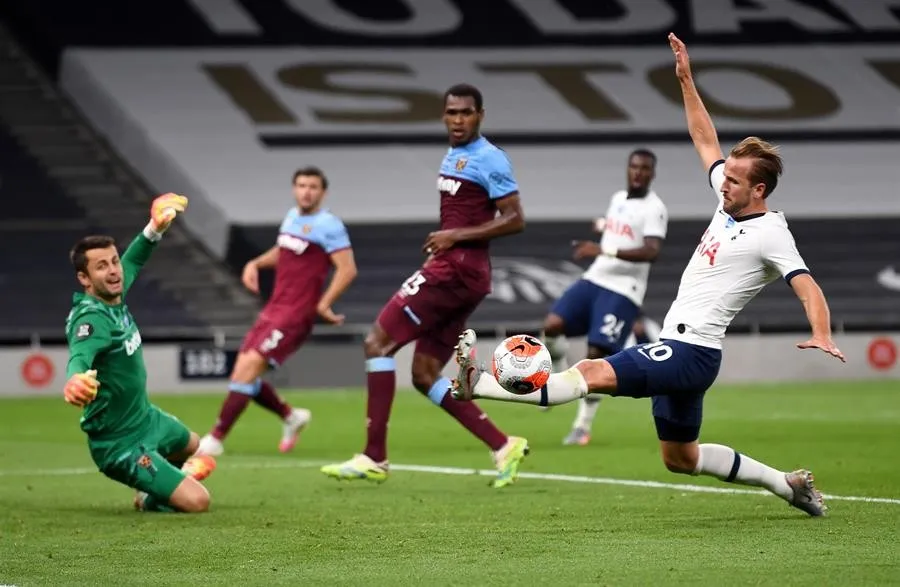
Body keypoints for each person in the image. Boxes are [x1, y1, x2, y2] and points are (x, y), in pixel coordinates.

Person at [450, 34, 846, 516]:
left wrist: (822, 332)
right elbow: (705, 139)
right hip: (692, 354)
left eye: (735, 181)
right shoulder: (727, 206)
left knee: (590, 372)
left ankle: (479, 385)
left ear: (758, 189)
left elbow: (807, 286)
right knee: (680, 458)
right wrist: (685, 80)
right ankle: (787, 485)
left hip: (690, 350)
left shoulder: (772, 234)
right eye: (725, 177)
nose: (723, 183)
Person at [321, 84, 530, 488]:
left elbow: (515, 218)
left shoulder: (489, 159)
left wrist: (455, 238)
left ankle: (374, 456)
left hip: (455, 270)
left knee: (377, 343)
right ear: (443, 116)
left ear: (480, 116)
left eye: (466, 113)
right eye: (451, 113)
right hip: (460, 272)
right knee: (425, 373)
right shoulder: (454, 155)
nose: (458, 120)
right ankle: (503, 445)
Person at [63, 193, 217, 513]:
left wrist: (155, 227)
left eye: (113, 261)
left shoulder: (114, 292)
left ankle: (166, 477)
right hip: (119, 444)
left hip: (146, 418)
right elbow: (79, 356)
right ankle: (149, 496)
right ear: (84, 279)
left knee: (193, 444)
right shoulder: (91, 319)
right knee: (198, 501)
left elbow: (134, 259)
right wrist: (75, 379)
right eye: (101, 266)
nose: (114, 270)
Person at [198, 167, 357, 456]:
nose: (306, 191)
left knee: (246, 370)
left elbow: (347, 269)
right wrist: (255, 263)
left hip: (296, 314)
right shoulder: (292, 217)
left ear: (323, 192)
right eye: (301, 185)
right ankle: (290, 416)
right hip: (274, 308)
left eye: (313, 186)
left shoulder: (329, 225)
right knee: (244, 372)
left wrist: (324, 303)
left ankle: (215, 439)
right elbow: (283, 250)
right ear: (294, 189)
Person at [542, 149, 668, 446]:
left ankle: (581, 427)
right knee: (552, 325)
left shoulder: (655, 208)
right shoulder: (618, 199)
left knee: (596, 354)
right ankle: (559, 373)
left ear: (652, 173)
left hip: (624, 290)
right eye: (634, 167)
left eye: (644, 168)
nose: (638, 172)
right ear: (627, 169)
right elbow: (618, 234)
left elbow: (652, 251)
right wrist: (602, 231)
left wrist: (604, 250)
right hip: (595, 279)